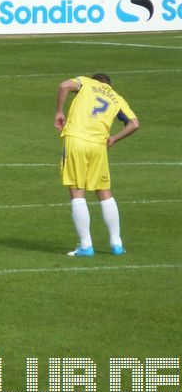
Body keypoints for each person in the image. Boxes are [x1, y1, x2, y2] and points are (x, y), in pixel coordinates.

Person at [54, 73, 139, 257]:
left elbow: (63, 86)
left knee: (77, 192)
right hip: (99, 146)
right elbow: (134, 123)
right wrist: (114, 138)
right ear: (108, 85)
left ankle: (86, 245)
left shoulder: (85, 82)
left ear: (96, 80)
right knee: (104, 192)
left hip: (76, 140)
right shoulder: (116, 97)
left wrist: (60, 111)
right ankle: (117, 244)